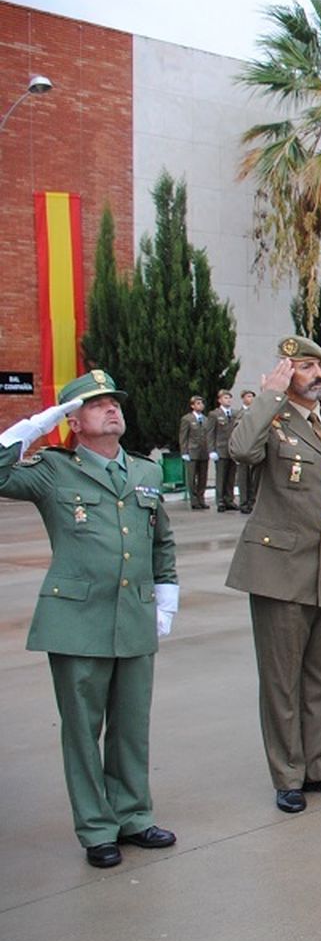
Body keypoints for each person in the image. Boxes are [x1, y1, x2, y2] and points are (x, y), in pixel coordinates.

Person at [0, 371, 179, 867]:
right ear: (73, 421)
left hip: (135, 613)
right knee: (82, 729)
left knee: (131, 725)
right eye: (96, 404)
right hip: (76, 620)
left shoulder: (144, 471)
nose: (111, 408)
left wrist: (165, 596)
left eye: (113, 401)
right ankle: (97, 828)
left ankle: (133, 816)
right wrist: (39, 424)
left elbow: (160, 540)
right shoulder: (53, 470)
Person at [226, 337, 321, 812]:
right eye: (304, 367)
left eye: (319, 366)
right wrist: (268, 396)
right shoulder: (272, 420)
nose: (316, 374)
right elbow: (241, 450)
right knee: (282, 680)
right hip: (279, 568)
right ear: (286, 373)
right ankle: (288, 774)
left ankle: (320, 766)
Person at [209, 390, 240, 512]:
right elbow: (210, 433)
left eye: (229, 398)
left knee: (231, 477)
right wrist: (212, 450)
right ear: (220, 400)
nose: (228, 400)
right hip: (220, 449)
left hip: (232, 450)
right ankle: (220, 501)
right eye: (225, 398)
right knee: (221, 477)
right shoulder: (214, 414)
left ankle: (229, 499)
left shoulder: (235, 413)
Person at [178, 395, 211, 509]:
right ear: (192, 406)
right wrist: (184, 452)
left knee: (203, 477)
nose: (200, 405)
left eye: (201, 403)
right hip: (192, 451)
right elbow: (183, 436)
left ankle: (201, 499)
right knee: (191, 477)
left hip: (204, 451)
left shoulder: (206, 419)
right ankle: (194, 500)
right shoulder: (187, 419)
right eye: (198, 403)